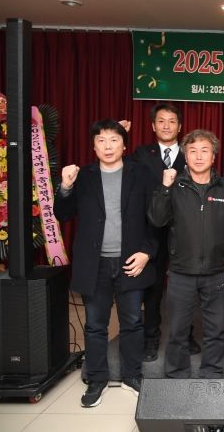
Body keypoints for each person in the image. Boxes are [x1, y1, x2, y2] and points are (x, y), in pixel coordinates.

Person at [55, 119, 156, 407]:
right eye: (101, 140)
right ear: (94, 146)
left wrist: (147, 252)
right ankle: (97, 378)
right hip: (95, 263)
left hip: (131, 261)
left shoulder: (141, 174)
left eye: (114, 140)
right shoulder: (83, 176)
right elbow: (63, 214)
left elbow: (157, 218)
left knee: (132, 322)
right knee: (95, 324)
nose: (108, 146)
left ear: (124, 145)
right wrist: (65, 186)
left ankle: (132, 376)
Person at [148, 129, 224, 379]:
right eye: (192, 151)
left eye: (205, 151)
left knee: (215, 331)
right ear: (185, 156)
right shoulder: (174, 186)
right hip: (181, 272)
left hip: (217, 272)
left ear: (214, 156)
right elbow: (157, 220)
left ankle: (212, 376)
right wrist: (164, 187)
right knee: (177, 331)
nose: (199, 156)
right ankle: (176, 376)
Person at [121, 103, 200, 362]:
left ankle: (186, 335)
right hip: (151, 229)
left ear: (180, 126)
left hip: (184, 230)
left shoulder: (192, 154)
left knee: (185, 288)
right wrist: (121, 136)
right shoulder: (141, 154)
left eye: (172, 121)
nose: (166, 126)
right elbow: (121, 173)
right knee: (153, 289)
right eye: (161, 121)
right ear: (153, 126)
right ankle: (151, 338)